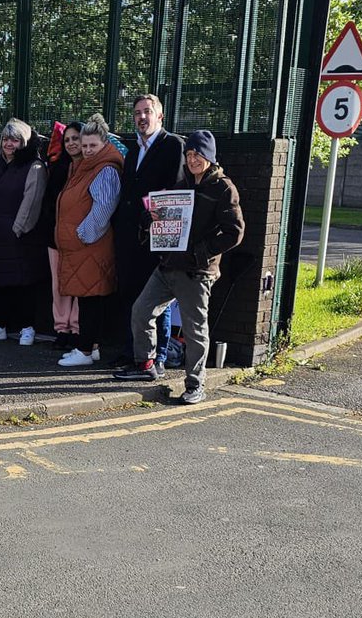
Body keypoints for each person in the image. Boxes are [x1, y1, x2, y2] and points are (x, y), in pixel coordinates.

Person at [117, 129, 245, 404]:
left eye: (198, 154)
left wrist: (203, 253)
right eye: (189, 154)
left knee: (194, 329)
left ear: (209, 157)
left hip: (196, 271)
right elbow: (162, 221)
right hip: (168, 264)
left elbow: (234, 232)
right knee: (141, 311)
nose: (192, 159)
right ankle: (146, 365)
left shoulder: (223, 188)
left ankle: (195, 384)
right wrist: (148, 219)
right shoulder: (181, 183)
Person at [114, 93, 184, 368]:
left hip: (158, 237)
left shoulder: (173, 146)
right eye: (137, 113)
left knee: (157, 302)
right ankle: (134, 352)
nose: (141, 118)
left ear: (160, 116)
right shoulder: (133, 152)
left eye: (147, 112)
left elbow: (176, 192)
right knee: (133, 296)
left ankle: (159, 357)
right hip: (132, 237)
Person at [0, 118, 48, 347]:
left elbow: (32, 201)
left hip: (17, 237)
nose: (9, 144)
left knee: (22, 283)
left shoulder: (33, 167)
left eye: (15, 139)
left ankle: (26, 327)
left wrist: (18, 229)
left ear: (23, 142)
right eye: (6, 139)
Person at [55, 113, 123, 367]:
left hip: (91, 246)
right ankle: (90, 348)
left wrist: (82, 235)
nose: (87, 150)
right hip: (86, 248)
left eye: (92, 145)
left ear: (104, 144)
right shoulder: (86, 168)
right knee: (89, 299)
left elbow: (104, 208)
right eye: (84, 146)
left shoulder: (105, 170)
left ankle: (83, 350)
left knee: (91, 300)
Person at [46, 121, 83, 349]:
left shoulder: (91, 166)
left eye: (75, 138)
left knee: (79, 284)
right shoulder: (58, 167)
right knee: (58, 284)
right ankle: (61, 328)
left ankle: (77, 329)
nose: (71, 143)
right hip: (56, 235)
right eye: (67, 139)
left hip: (82, 237)